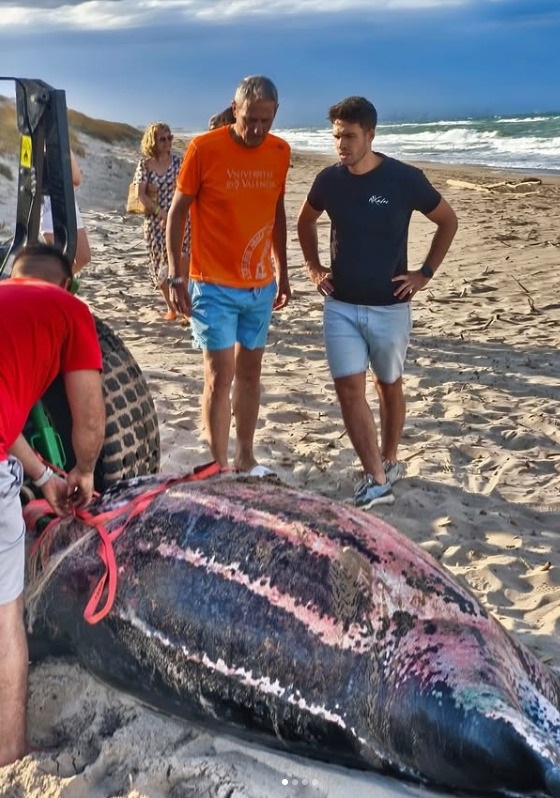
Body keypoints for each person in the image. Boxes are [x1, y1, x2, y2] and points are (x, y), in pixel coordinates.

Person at [297, 96, 458, 510]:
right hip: (341, 305)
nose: (341, 145)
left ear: (370, 134)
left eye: (349, 136)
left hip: (390, 306)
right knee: (349, 389)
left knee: (388, 386)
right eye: (336, 137)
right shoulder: (329, 180)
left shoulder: (404, 180)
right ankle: (376, 477)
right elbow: (304, 221)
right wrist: (315, 269)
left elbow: (447, 220)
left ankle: (389, 459)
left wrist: (425, 274)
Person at [0, 242, 106, 766]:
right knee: (6, 615)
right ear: (66, 285)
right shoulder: (70, 309)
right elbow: (89, 413)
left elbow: (4, 409)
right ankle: (9, 750)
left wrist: (41, 474)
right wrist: (83, 471)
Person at [166, 75, 291, 474]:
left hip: (259, 286)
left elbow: (277, 211)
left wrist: (283, 272)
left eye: (265, 121)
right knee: (220, 376)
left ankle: (246, 457)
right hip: (212, 284)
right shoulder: (204, 148)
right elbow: (177, 212)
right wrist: (175, 275)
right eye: (250, 119)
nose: (256, 129)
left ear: (275, 115)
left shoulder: (279, 151)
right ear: (235, 109)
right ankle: (217, 465)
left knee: (250, 375)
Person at [133, 122, 190, 321]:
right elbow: (140, 195)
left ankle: (185, 307)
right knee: (160, 267)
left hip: (181, 219)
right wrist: (161, 213)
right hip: (155, 222)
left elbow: (187, 190)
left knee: (183, 261)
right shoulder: (145, 165)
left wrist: (174, 215)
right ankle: (171, 307)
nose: (167, 142)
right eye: (162, 139)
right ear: (153, 142)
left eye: (170, 138)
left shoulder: (179, 162)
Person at [41, 150, 91, 273]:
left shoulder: (37, 137)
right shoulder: (58, 141)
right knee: (59, 261)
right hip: (54, 205)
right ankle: (54, 285)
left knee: (80, 256)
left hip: (61, 203)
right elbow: (76, 179)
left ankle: (60, 284)